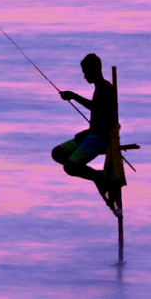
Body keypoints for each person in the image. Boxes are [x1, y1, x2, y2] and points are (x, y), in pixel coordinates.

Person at [51, 54, 121, 215]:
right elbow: (95, 107)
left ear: (94, 69)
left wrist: (86, 132)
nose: (84, 76)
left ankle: (100, 178)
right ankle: (99, 176)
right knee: (57, 153)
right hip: (92, 136)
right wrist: (74, 96)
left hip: (101, 138)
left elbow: (110, 121)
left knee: (69, 167)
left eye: (85, 72)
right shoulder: (99, 88)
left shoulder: (104, 89)